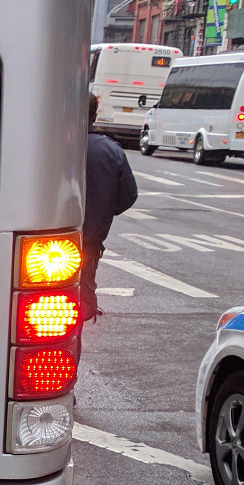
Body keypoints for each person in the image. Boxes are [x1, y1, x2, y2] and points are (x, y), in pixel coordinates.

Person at [83, 94, 139, 320]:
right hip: (89, 245)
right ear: (94, 115)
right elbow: (128, 197)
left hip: (39, 247)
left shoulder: (48, 142)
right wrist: (103, 209)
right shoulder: (111, 150)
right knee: (80, 305)